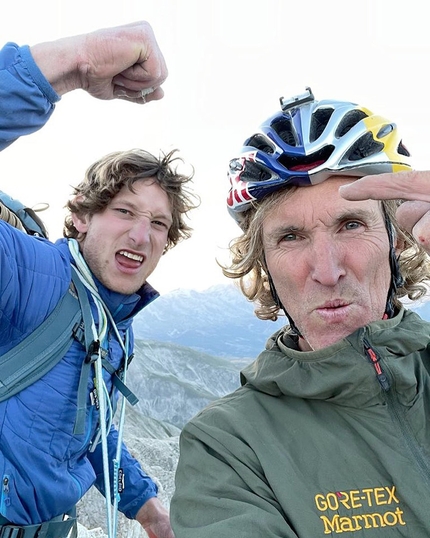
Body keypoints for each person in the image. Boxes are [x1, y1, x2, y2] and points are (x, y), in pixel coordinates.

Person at [170, 87, 430, 537]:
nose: (327, 272)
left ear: (395, 241)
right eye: (290, 237)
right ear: (263, 264)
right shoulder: (226, 446)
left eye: (351, 225)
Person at [0, 22, 198, 538]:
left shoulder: (112, 319)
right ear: (83, 216)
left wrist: (147, 508)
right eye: (124, 211)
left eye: (158, 223)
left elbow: (90, 430)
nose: (142, 233)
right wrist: (74, 63)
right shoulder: (26, 272)